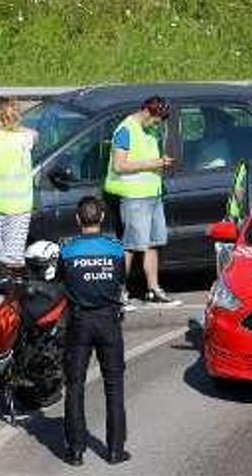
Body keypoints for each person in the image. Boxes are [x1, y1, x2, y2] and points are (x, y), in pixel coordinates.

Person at [59, 196, 129, 466]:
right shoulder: (116, 250)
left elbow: (60, 283)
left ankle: (75, 451)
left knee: (74, 386)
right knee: (114, 387)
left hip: (79, 323)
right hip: (109, 322)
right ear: (101, 218)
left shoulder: (67, 251)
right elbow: (121, 280)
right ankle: (114, 450)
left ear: (78, 220)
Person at [104, 95, 179, 307]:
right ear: (147, 112)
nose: (158, 125)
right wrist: (154, 163)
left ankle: (154, 289)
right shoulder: (125, 130)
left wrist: (161, 163)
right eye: (156, 120)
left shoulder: (149, 128)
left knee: (153, 244)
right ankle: (119, 293)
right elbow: (119, 166)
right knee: (131, 245)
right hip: (134, 197)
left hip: (153, 193)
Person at [0, 97, 38, 273]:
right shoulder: (24, 139)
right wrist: (16, 127)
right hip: (18, 206)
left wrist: (0, 127)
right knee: (14, 257)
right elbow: (36, 135)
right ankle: (12, 293)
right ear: (17, 115)